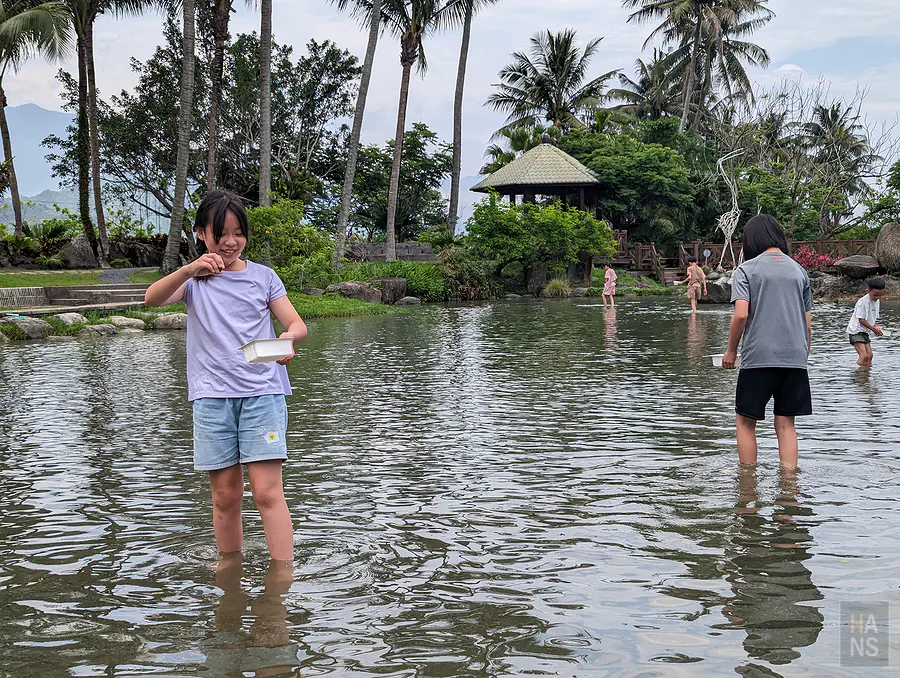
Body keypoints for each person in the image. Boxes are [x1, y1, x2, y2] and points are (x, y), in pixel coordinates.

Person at [144, 190, 308, 561]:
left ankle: (283, 573)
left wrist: (287, 338)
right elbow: (151, 299)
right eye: (220, 234)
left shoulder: (263, 277)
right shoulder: (192, 282)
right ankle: (229, 568)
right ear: (201, 233)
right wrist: (189, 269)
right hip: (211, 398)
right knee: (225, 496)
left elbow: (297, 324)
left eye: (238, 233)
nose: (230, 242)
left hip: (262, 394)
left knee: (267, 493)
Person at [722, 214, 813, 471]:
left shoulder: (747, 270)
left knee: (745, 422)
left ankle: (748, 483)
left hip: (759, 358)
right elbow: (807, 325)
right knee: (786, 424)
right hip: (795, 359)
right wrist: (802, 356)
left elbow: (741, 315)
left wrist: (731, 351)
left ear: (751, 241)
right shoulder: (800, 271)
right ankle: (790, 483)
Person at [847, 277, 885, 367]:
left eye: (880, 295)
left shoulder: (877, 301)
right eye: (875, 295)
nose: (877, 297)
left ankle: (866, 373)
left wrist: (876, 327)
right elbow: (861, 320)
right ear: (868, 291)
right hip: (856, 331)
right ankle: (858, 374)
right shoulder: (862, 302)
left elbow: (873, 319)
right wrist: (873, 329)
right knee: (864, 356)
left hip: (865, 331)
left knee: (870, 356)